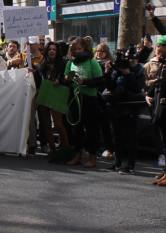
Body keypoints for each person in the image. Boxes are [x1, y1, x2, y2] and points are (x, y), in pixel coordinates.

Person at [102, 45, 146, 174]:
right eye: (128, 59)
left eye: (134, 59)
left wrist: (128, 74)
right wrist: (107, 73)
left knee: (132, 138)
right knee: (116, 137)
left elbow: (137, 88)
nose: (131, 62)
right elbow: (110, 86)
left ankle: (131, 165)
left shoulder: (139, 72)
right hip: (116, 109)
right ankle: (117, 163)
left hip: (131, 109)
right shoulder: (117, 71)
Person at [64, 37, 104, 167]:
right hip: (75, 97)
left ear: (85, 49)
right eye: (75, 49)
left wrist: (85, 82)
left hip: (89, 98)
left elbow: (99, 81)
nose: (77, 51)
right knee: (77, 128)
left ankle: (92, 157)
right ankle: (78, 155)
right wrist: (68, 79)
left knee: (91, 128)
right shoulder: (71, 63)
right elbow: (66, 79)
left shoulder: (92, 62)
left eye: (79, 49)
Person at [148, 35, 166, 186]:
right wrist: (149, 95)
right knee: (165, 143)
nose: (158, 49)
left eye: (162, 46)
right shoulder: (163, 63)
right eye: (157, 46)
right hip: (160, 109)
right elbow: (157, 82)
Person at [34, 41, 70, 155]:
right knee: (46, 124)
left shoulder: (63, 65)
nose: (52, 51)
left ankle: (66, 148)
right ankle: (52, 149)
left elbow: (67, 79)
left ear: (57, 51)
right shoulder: (41, 65)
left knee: (59, 125)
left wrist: (61, 81)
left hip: (57, 95)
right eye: (50, 49)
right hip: (44, 95)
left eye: (54, 49)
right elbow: (37, 80)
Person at [94, 43, 115, 160]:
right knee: (94, 124)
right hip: (94, 97)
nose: (99, 53)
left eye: (102, 51)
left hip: (105, 98)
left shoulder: (110, 65)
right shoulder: (93, 64)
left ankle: (108, 148)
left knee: (105, 125)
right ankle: (96, 148)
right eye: (97, 51)